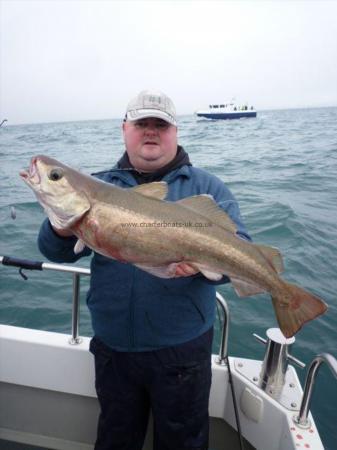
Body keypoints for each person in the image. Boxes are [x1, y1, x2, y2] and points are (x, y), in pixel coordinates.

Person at [38, 90, 251, 450]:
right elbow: (55, 252)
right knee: (116, 439)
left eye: (160, 125)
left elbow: (238, 254)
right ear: (125, 129)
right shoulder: (97, 185)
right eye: (141, 124)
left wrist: (199, 267)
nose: (150, 131)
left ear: (175, 132)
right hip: (113, 349)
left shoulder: (206, 188)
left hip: (182, 350)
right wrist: (62, 225)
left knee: (183, 442)